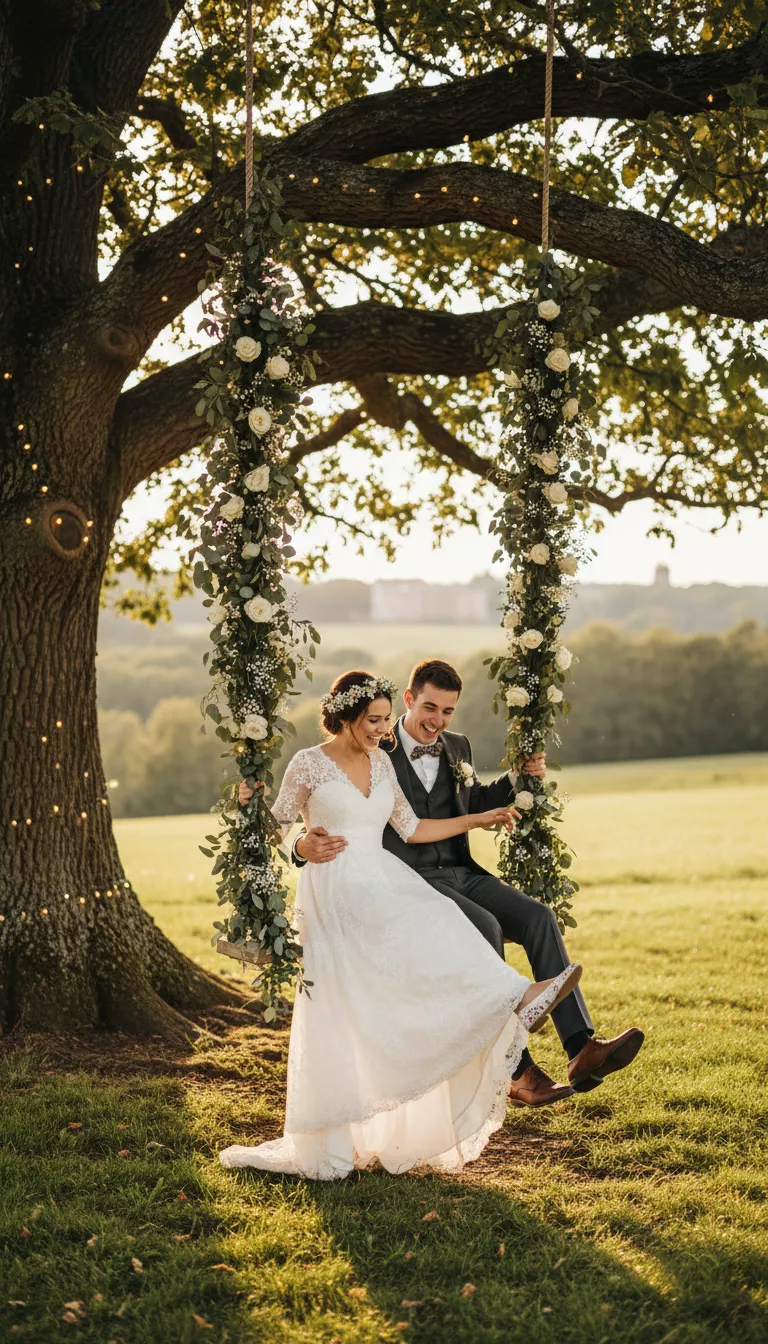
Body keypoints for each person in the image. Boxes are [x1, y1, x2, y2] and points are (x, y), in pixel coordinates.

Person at [220, 671, 582, 1180]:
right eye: (373, 720)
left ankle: (514, 1001)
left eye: (387, 719)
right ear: (344, 717)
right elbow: (275, 825)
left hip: (382, 876)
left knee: (445, 921)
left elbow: (411, 829)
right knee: (429, 933)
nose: (383, 729)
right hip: (335, 886)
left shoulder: (381, 763)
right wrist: (300, 846)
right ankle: (514, 1001)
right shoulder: (307, 764)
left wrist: (474, 821)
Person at [286, 659, 644, 1108]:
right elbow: (334, 817)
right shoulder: (377, 749)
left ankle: (582, 1048)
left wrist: (518, 779)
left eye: (448, 711)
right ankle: (519, 1069)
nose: (438, 721)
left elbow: (469, 799)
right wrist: (302, 844)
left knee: (537, 917)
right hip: (408, 880)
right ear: (409, 700)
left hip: (462, 869)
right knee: (486, 928)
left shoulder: (457, 746)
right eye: (430, 708)